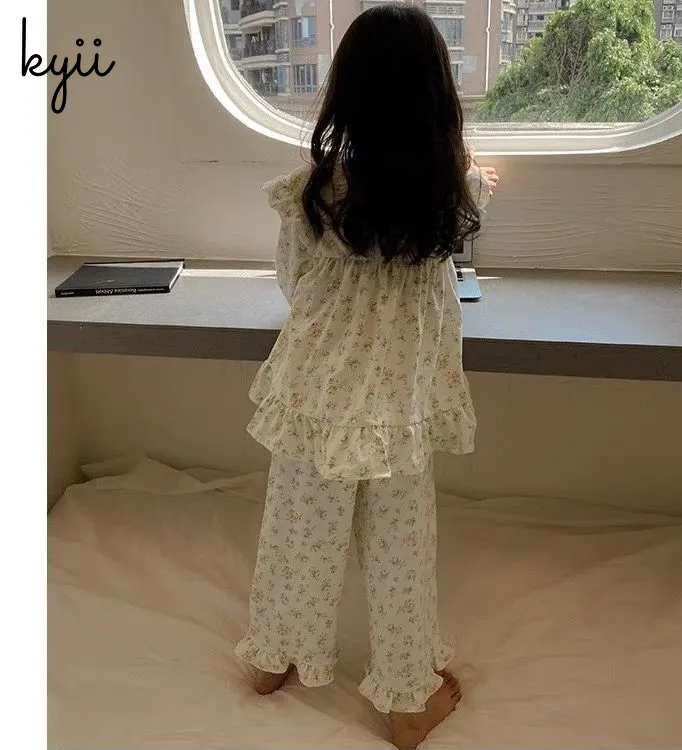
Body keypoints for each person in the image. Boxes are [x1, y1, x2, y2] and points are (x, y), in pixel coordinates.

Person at [235, 4, 498, 748]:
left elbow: (294, 285)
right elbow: (466, 225)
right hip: (395, 407)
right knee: (400, 553)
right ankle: (407, 698)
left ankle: (273, 658)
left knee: (297, 531)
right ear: (439, 99)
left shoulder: (314, 193)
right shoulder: (451, 193)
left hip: (317, 395)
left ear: (343, 94)